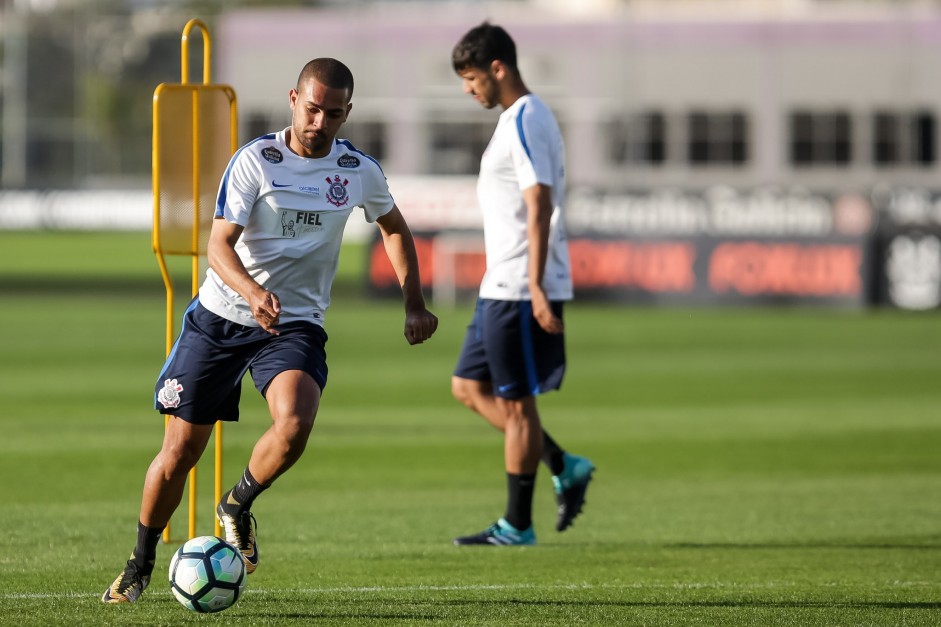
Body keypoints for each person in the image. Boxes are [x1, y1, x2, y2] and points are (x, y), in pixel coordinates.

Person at [102, 57, 438, 603]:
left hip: (294, 323)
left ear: (346, 113)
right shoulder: (257, 161)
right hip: (221, 319)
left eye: (333, 113)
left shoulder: (358, 170)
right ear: (292, 100)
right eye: (311, 108)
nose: (319, 122)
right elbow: (218, 246)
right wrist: (254, 293)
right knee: (181, 452)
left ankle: (236, 504)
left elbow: (393, 227)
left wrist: (414, 303)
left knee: (294, 424)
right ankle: (138, 564)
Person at [449, 23, 595, 547]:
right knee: (467, 387)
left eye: (470, 78)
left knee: (518, 407)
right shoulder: (515, 119)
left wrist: (535, 285)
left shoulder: (529, 117)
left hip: (519, 286)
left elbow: (540, 201)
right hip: (500, 283)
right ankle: (562, 462)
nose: (468, 89)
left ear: (498, 68)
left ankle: (517, 524)